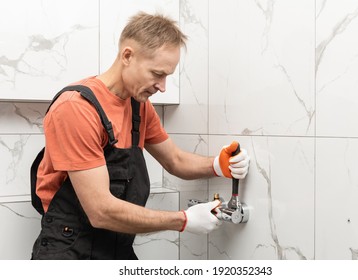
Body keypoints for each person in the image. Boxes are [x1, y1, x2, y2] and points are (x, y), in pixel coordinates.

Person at [30, 12, 250, 260]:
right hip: (69, 250)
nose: (163, 86)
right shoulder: (77, 108)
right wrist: (183, 220)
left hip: (117, 245)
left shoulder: (139, 106)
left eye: (167, 75)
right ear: (127, 56)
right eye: (157, 74)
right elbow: (100, 210)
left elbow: (174, 160)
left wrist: (217, 165)